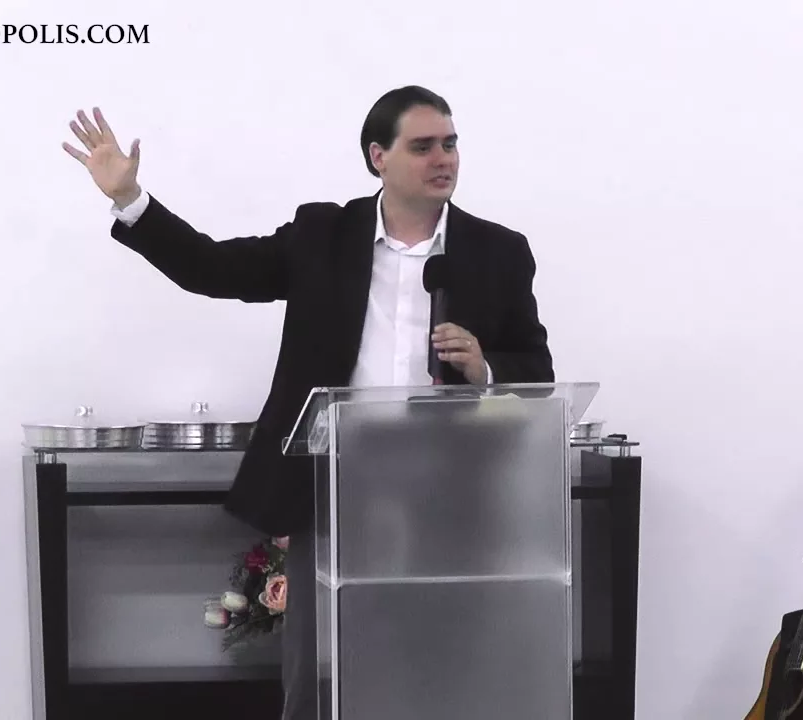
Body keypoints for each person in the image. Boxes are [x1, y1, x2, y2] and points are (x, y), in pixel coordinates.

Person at [62, 85, 555, 720]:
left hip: (448, 490)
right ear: (378, 156)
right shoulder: (325, 234)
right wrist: (132, 201)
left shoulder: (498, 251)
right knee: (316, 673)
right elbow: (213, 268)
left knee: (439, 665)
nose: (444, 159)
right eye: (423, 146)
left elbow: (536, 371)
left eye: (451, 144)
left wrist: (484, 366)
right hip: (334, 481)